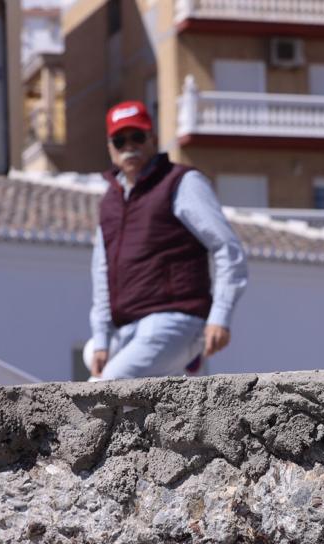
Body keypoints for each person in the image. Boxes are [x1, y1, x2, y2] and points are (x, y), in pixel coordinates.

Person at [89, 100, 247, 380]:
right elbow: (101, 271)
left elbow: (226, 247)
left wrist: (220, 316)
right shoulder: (110, 201)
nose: (129, 145)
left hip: (177, 319)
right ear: (110, 147)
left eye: (137, 136)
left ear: (154, 139)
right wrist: (101, 337)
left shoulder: (181, 182)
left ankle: (185, 355)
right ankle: (178, 369)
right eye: (119, 139)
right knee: (92, 355)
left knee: (109, 387)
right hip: (127, 326)